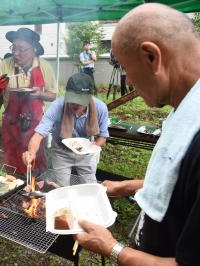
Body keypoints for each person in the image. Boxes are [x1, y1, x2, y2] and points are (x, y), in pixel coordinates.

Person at [75, 4, 200, 265]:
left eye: (125, 68)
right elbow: (184, 185)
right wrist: (127, 186)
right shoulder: (186, 107)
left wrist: (112, 248)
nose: (128, 80)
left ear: (152, 57)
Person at [0, 27, 57, 175]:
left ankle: (35, 182)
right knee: (10, 157)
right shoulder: (5, 65)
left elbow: (53, 95)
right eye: (13, 48)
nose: (15, 53)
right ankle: (11, 184)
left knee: (35, 156)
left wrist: (40, 93)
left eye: (21, 49)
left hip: (36, 124)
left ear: (33, 49)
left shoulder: (44, 66)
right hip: (11, 122)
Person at [22, 73, 108, 185]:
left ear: (90, 95)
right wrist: (31, 152)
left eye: (80, 100)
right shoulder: (57, 106)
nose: (75, 103)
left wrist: (95, 146)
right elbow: (39, 134)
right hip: (61, 151)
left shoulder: (100, 108)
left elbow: (103, 135)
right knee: (62, 187)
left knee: (90, 186)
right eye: (73, 99)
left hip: (86, 152)